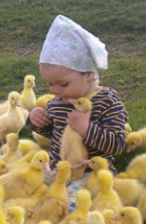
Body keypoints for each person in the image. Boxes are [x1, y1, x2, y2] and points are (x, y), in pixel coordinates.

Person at [27, 14, 128, 178]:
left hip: (92, 176)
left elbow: (117, 144)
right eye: (51, 84)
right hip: (58, 173)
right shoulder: (57, 102)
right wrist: (36, 121)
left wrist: (86, 129)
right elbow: (56, 134)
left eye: (63, 84)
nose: (54, 91)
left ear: (88, 74)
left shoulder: (107, 102)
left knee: (74, 202)